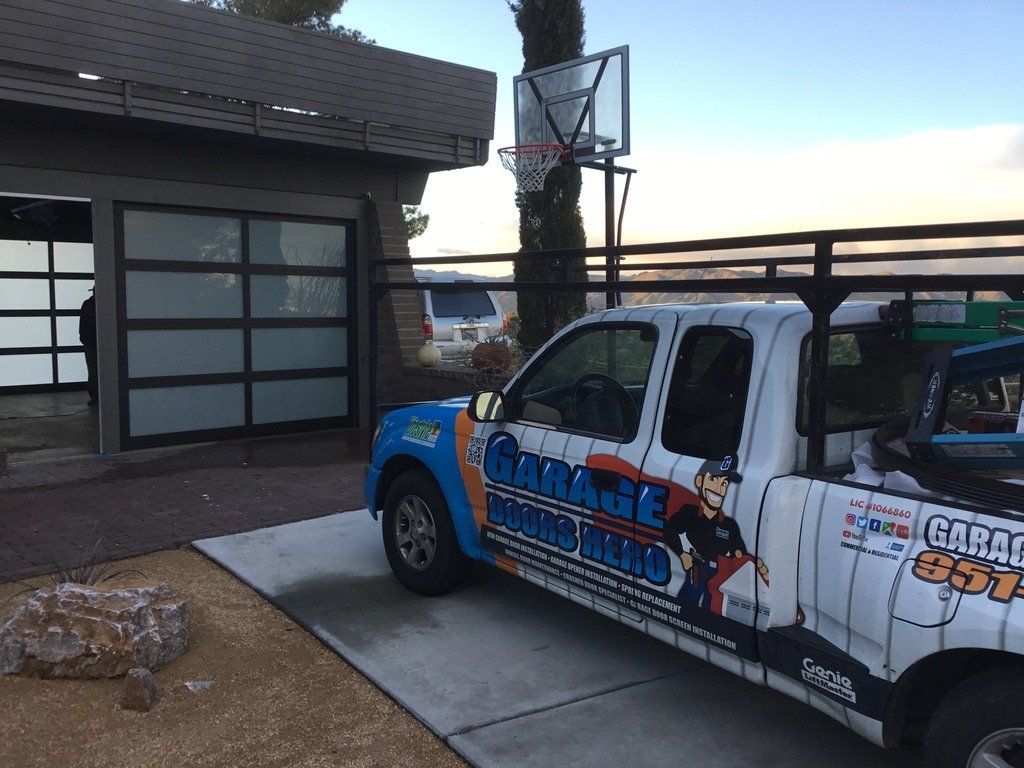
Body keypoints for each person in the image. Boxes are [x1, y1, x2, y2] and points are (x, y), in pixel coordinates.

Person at [79, 288, 97, 406]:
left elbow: (82, 324)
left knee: (92, 371)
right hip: (95, 343)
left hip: (90, 344)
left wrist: (84, 339)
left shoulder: (87, 304)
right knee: (95, 371)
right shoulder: (107, 304)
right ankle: (98, 396)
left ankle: (95, 397)